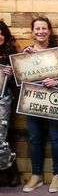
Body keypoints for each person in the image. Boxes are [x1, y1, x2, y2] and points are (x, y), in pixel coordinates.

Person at [22, 16, 58, 193]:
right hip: (32, 100)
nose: (40, 31)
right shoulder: (26, 53)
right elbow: (20, 77)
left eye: (44, 28)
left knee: (55, 137)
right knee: (34, 138)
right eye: (37, 29)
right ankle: (37, 175)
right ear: (32, 32)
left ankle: (57, 175)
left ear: (49, 31)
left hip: (53, 100)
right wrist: (23, 60)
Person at [0, 21, 18, 181]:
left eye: (1, 33)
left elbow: (19, 81)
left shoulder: (10, 54)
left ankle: (11, 171)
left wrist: (12, 75)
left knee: (0, 138)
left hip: (3, 99)